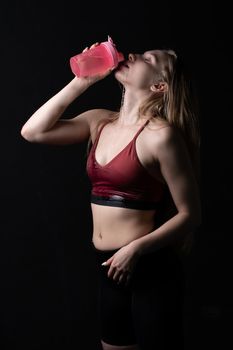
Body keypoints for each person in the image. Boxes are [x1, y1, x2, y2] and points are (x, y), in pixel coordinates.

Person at [21, 42, 201, 350]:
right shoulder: (99, 121)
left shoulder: (161, 137)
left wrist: (135, 250)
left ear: (159, 85)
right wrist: (82, 81)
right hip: (108, 269)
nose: (133, 55)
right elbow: (33, 131)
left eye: (148, 58)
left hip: (149, 268)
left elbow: (190, 214)